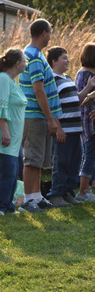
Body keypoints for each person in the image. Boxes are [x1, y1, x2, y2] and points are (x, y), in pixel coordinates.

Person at [18, 19, 62, 212]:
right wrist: (51, 119)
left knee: (38, 159)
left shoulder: (36, 55)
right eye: (50, 32)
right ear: (44, 33)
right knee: (32, 158)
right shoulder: (34, 56)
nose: (50, 36)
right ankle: (28, 200)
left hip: (39, 115)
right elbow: (38, 90)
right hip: (34, 115)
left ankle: (36, 197)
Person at [0, 49, 28, 214]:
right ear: (17, 63)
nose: (26, 63)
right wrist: (5, 131)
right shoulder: (2, 79)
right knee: (7, 171)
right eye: (25, 61)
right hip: (3, 135)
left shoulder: (11, 81)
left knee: (13, 172)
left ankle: (8, 206)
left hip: (13, 137)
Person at [45, 47, 88, 206]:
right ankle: (56, 193)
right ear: (54, 61)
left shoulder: (68, 78)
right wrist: (59, 128)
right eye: (64, 58)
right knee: (61, 162)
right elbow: (51, 106)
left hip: (76, 130)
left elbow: (77, 99)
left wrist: (89, 87)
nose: (68, 61)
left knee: (74, 163)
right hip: (64, 130)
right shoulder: (52, 80)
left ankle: (68, 192)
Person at [75, 43, 95, 202]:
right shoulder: (88, 75)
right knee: (88, 155)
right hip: (90, 121)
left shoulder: (83, 73)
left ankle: (87, 188)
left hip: (86, 120)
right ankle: (83, 191)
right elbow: (83, 99)